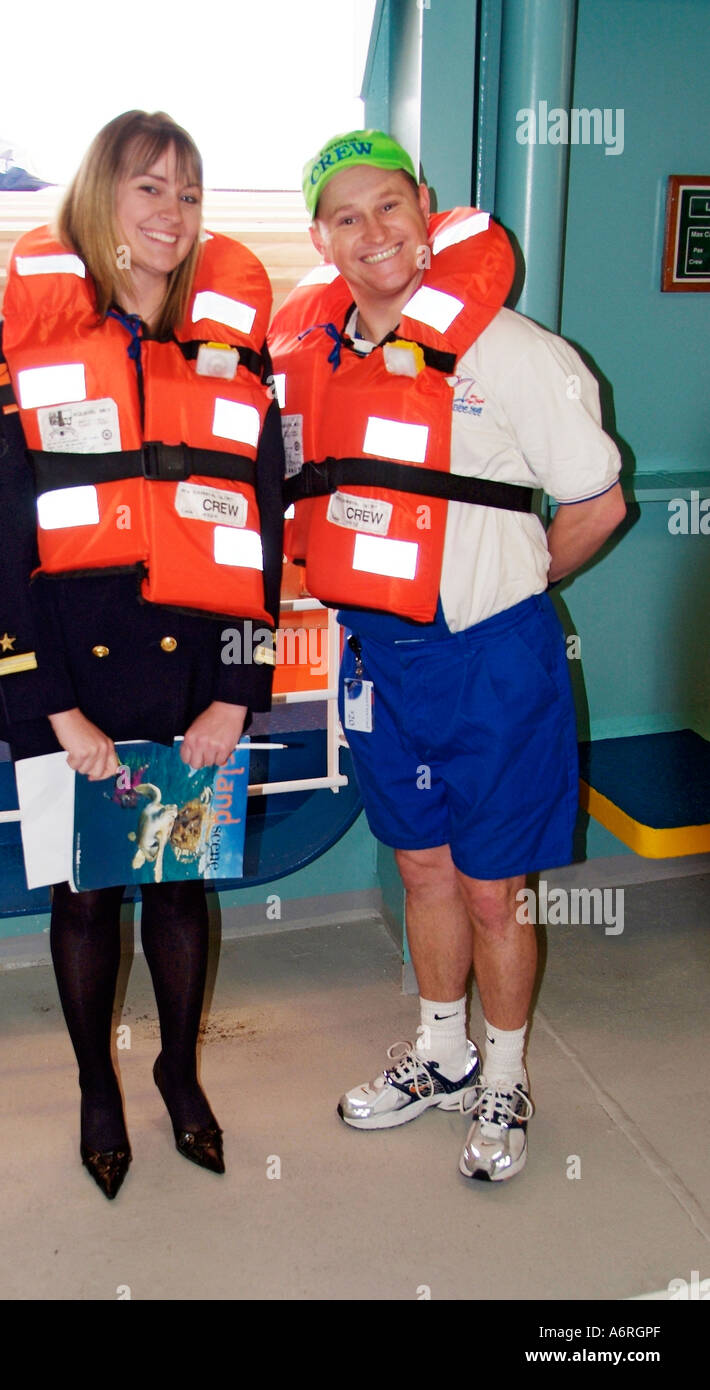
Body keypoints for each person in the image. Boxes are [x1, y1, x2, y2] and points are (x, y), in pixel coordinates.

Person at [269, 130, 625, 1182]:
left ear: (426, 206)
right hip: (379, 656)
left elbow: (600, 504)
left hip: (493, 659)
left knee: (492, 889)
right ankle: (443, 1052)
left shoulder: (514, 352)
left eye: (389, 206)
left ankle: (506, 1075)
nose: (373, 233)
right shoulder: (313, 362)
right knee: (420, 864)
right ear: (321, 238)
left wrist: (516, 584)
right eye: (347, 217)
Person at [0, 110, 283, 1199]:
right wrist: (55, 709)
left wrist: (240, 692)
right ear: (101, 198)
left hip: (197, 670)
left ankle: (178, 1071)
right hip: (69, 669)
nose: (172, 213)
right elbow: (2, 536)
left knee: (183, 885)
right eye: (149, 188)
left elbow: (262, 533)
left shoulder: (234, 348)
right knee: (87, 892)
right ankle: (97, 1089)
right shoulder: (29, 340)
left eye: (190, 194)